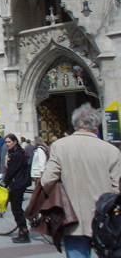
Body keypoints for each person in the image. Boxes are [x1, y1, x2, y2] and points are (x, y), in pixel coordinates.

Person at [42, 103, 121, 257]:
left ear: (75, 124)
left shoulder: (60, 146)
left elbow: (47, 180)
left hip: (73, 217)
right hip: (104, 218)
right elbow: (117, 187)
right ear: (97, 125)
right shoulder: (111, 150)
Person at [2, 133, 31, 243]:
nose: (7, 144)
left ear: (15, 142)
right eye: (6, 142)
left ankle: (24, 232)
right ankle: (22, 230)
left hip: (17, 183)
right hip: (17, 182)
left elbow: (12, 170)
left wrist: (5, 182)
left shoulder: (17, 154)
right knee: (16, 208)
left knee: (16, 209)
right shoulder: (14, 152)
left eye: (9, 142)